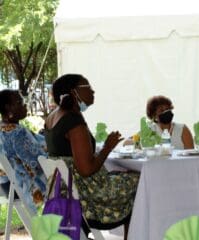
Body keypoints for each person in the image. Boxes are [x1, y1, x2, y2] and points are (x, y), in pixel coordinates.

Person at [44, 74, 139, 240]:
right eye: (88, 87)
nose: (93, 91)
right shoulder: (73, 121)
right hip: (89, 197)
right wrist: (108, 148)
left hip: (70, 191)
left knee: (123, 174)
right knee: (141, 181)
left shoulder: (53, 116)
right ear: (74, 92)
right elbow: (86, 169)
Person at [0, 89, 47, 213]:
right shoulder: (17, 132)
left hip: (7, 187)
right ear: (8, 108)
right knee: (68, 178)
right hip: (27, 188)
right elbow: (37, 161)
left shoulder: (3, 129)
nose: (25, 105)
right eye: (20, 102)